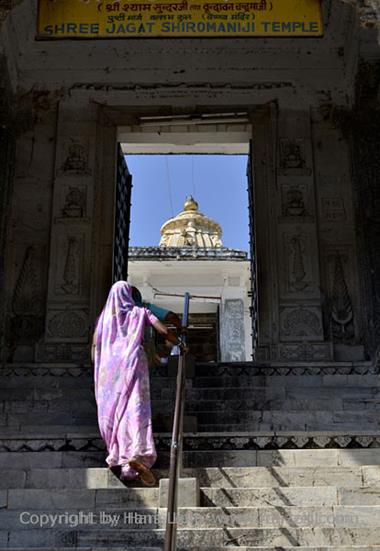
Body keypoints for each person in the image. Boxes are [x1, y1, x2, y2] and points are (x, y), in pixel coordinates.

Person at [92, 281, 181, 486]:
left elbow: (94, 347)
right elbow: (163, 331)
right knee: (134, 411)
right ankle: (135, 455)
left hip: (108, 375)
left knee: (115, 413)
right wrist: (181, 345)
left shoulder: (103, 320)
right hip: (133, 367)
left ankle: (118, 456)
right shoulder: (139, 312)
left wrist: (101, 370)